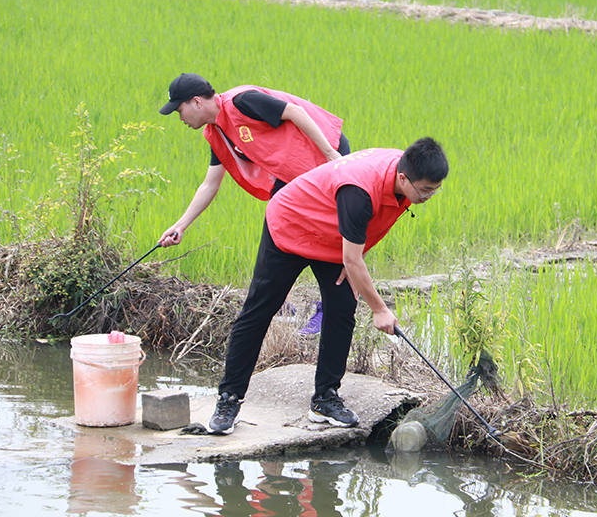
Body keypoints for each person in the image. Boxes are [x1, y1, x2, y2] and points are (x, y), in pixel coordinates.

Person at [207, 137, 448, 434]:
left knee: (343, 307)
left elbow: (370, 228)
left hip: (331, 233)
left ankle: (325, 398)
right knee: (260, 310)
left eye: (435, 190)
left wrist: (354, 262)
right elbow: (359, 230)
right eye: (425, 190)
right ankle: (229, 398)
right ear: (403, 177)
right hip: (292, 225)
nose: (428, 197)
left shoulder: (405, 171)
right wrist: (379, 308)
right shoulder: (360, 190)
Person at [156, 73, 351, 247]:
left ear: (197, 102)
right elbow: (209, 185)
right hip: (292, 171)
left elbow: (295, 112)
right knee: (281, 224)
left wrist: (330, 154)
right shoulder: (217, 133)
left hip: (325, 151)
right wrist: (180, 226)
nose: (180, 118)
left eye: (179, 110)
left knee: (297, 227)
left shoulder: (241, 101)